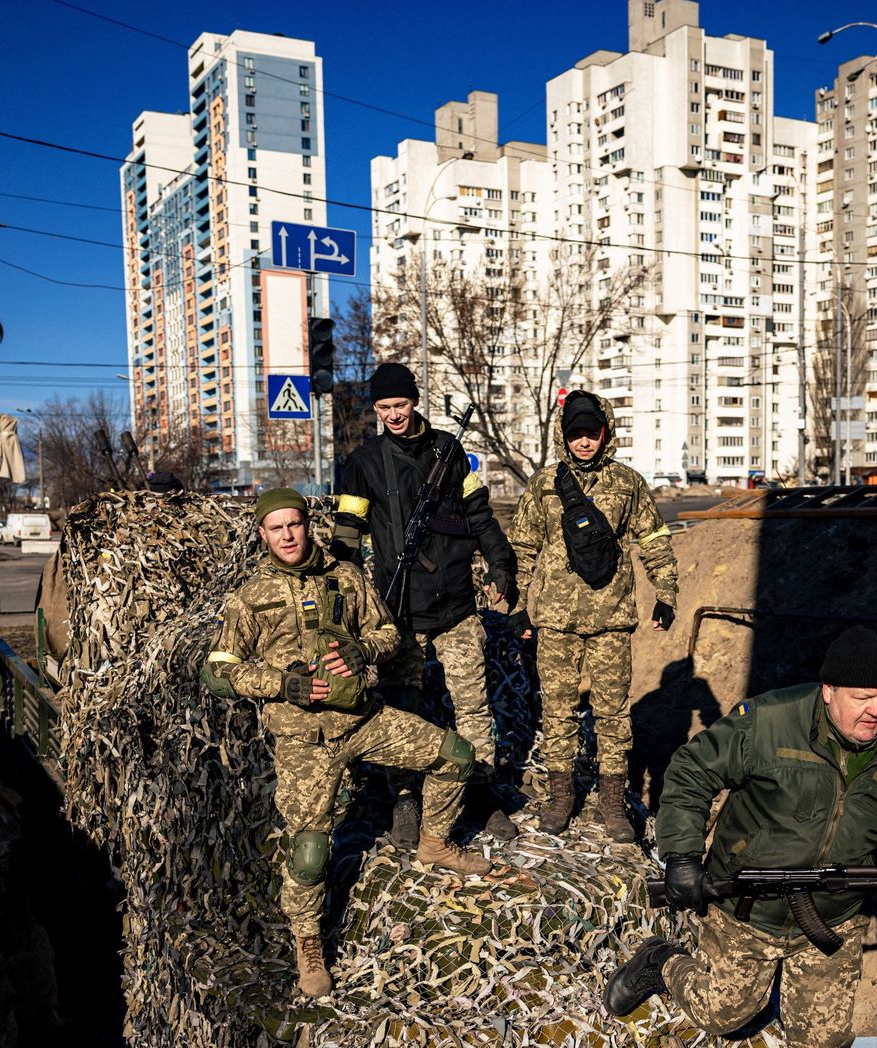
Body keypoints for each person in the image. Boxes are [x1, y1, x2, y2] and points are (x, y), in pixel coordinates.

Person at [201, 488, 498, 999]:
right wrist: (282, 684)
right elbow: (219, 670)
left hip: (363, 719)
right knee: (312, 852)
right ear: (262, 535)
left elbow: (387, 633)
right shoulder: (250, 596)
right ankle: (308, 943)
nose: (288, 535)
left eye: (294, 524)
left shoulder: (346, 576)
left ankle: (434, 843)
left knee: (457, 755)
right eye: (276, 528)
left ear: (307, 524)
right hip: (304, 740)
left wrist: (362, 651)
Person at [604, 627, 877, 1044]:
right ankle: (659, 961)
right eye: (862, 698)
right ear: (829, 692)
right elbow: (692, 772)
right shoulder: (770, 722)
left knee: (823, 1041)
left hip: (834, 916)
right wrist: (682, 857)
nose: (876, 711)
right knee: (723, 1015)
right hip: (749, 907)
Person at [330, 362, 521, 844]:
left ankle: (479, 791)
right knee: (402, 707)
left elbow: (480, 515)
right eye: (383, 407)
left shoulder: (450, 452)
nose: (393, 414)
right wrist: (348, 600)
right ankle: (405, 799)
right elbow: (347, 538)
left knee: (473, 705)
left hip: (455, 603)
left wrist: (502, 565)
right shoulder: (363, 462)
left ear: (415, 401)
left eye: (400, 404)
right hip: (397, 611)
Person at [506, 389, 678, 843]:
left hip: (610, 617)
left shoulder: (627, 483)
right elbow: (524, 548)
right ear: (565, 436)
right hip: (556, 620)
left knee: (612, 713)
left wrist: (666, 595)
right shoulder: (545, 484)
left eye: (592, 434)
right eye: (576, 434)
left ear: (605, 434)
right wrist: (519, 606)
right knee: (559, 711)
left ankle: (612, 801)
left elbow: (654, 539)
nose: (584, 442)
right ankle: (561, 795)